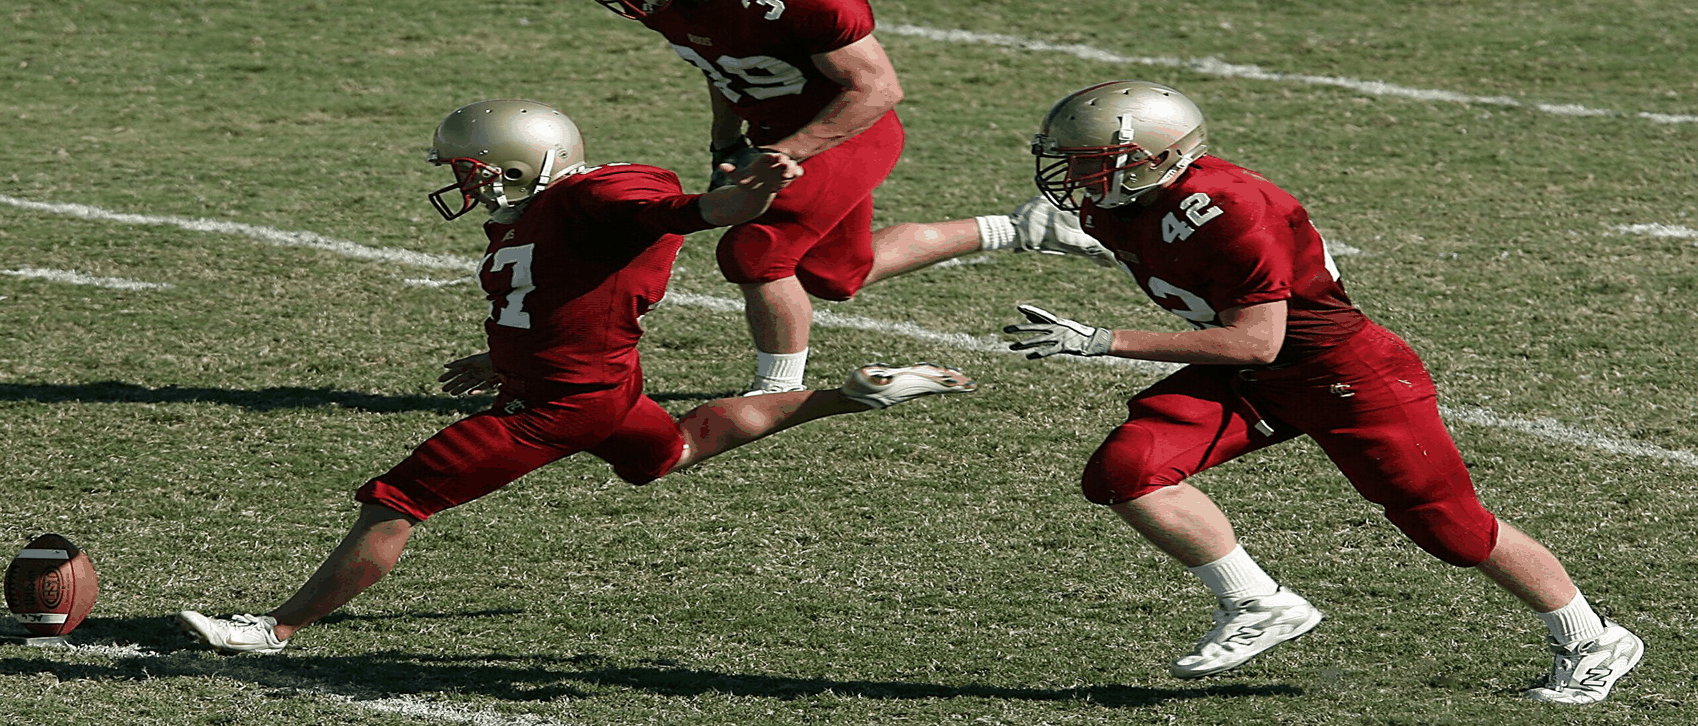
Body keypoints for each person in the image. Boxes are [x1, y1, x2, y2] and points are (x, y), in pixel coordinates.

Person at [176, 99, 977, 653]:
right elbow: (568, 290)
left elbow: (672, 215)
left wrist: (733, 203)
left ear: (523, 166)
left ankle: (274, 632)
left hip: (557, 405)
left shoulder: (599, 197)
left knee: (399, 499)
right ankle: (853, 394)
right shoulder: (540, 216)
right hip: (597, 387)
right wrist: (507, 352)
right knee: (674, 451)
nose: (465, 185)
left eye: (473, 171)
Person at [1001, 80, 1643, 704]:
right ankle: (1257, 601)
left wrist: (1103, 340)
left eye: (1095, 163)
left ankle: (1594, 638)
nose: (1078, 179)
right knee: (1126, 469)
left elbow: (1257, 340)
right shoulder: (1115, 203)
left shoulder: (1236, 208)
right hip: (1257, 377)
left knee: (1451, 529)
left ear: (1161, 156)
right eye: (1074, 163)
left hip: (1342, 373)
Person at [594, 0, 1106, 395]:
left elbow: (877, 89)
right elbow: (724, 72)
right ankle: (1026, 228)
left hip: (850, 133)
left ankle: (778, 390)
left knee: (755, 253)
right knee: (837, 275)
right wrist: (727, 142)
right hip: (779, 132)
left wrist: (784, 152)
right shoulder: (671, 9)